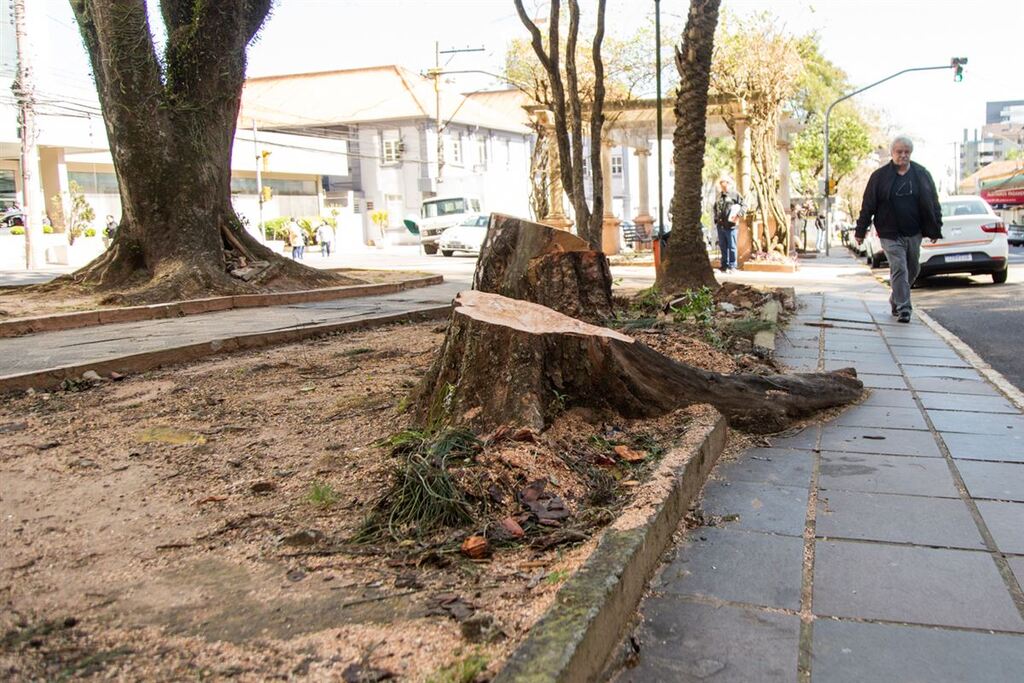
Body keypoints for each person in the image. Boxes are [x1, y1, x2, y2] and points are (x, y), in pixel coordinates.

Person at [855, 135, 942, 323]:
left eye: (906, 152)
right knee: (899, 268)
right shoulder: (879, 177)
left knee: (913, 268)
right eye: (899, 152)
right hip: (889, 233)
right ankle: (904, 309)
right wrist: (860, 231)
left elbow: (933, 202)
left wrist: (935, 228)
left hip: (914, 231)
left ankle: (896, 298)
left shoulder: (922, 174)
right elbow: (868, 205)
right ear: (892, 153)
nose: (903, 155)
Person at [713, 177, 744, 273]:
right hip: (720, 225)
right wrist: (716, 219)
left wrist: (738, 214)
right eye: (721, 184)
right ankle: (724, 265)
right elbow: (715, 208)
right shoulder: (719, 196)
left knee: (732, 246)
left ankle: (732, 266)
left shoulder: (735, 194)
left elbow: (744, 205)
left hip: (731, 226)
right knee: (723, 246)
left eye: (725, 183)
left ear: (729, 184)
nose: (723, 186)